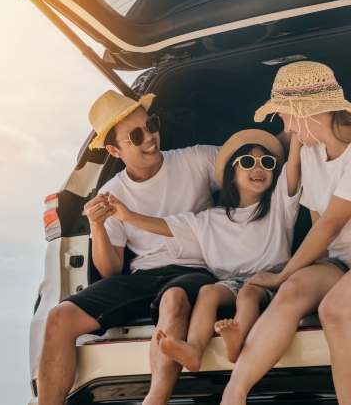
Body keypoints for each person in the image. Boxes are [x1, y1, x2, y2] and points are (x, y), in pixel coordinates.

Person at [37, 90, 221, 405]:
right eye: (137, 135)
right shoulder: (112, 191)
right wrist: (97, 227)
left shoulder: (198, 159)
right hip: (142, 277)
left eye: (151, 124)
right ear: (114, 149)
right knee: (58, 317)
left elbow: (254, 161)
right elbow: (111, 271)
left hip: (196, 270)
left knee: (174, 299)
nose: (150, 136)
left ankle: (155, 400)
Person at [106, 129, 302, 373]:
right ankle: (194, 350)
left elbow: (294, 162)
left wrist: (296, 125)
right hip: (229, 283)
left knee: (248, 295)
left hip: (270, 281)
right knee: (208, 292)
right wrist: (128, 216)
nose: (259, 168)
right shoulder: (210, 218)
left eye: (267, 162)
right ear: (230, 175)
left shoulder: (280, 204)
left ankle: (237, 342)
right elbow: (168, 227)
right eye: (248, 162)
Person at [220, 61, 351, 405]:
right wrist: (288, 279)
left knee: (334, 310)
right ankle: (233, 396)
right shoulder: (310, 154)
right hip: (341, 259)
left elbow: (330, 223)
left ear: (308, 111)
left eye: (285, 116)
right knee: (291, 292)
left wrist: (281, 274)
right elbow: (322, 232)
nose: (286, 126)